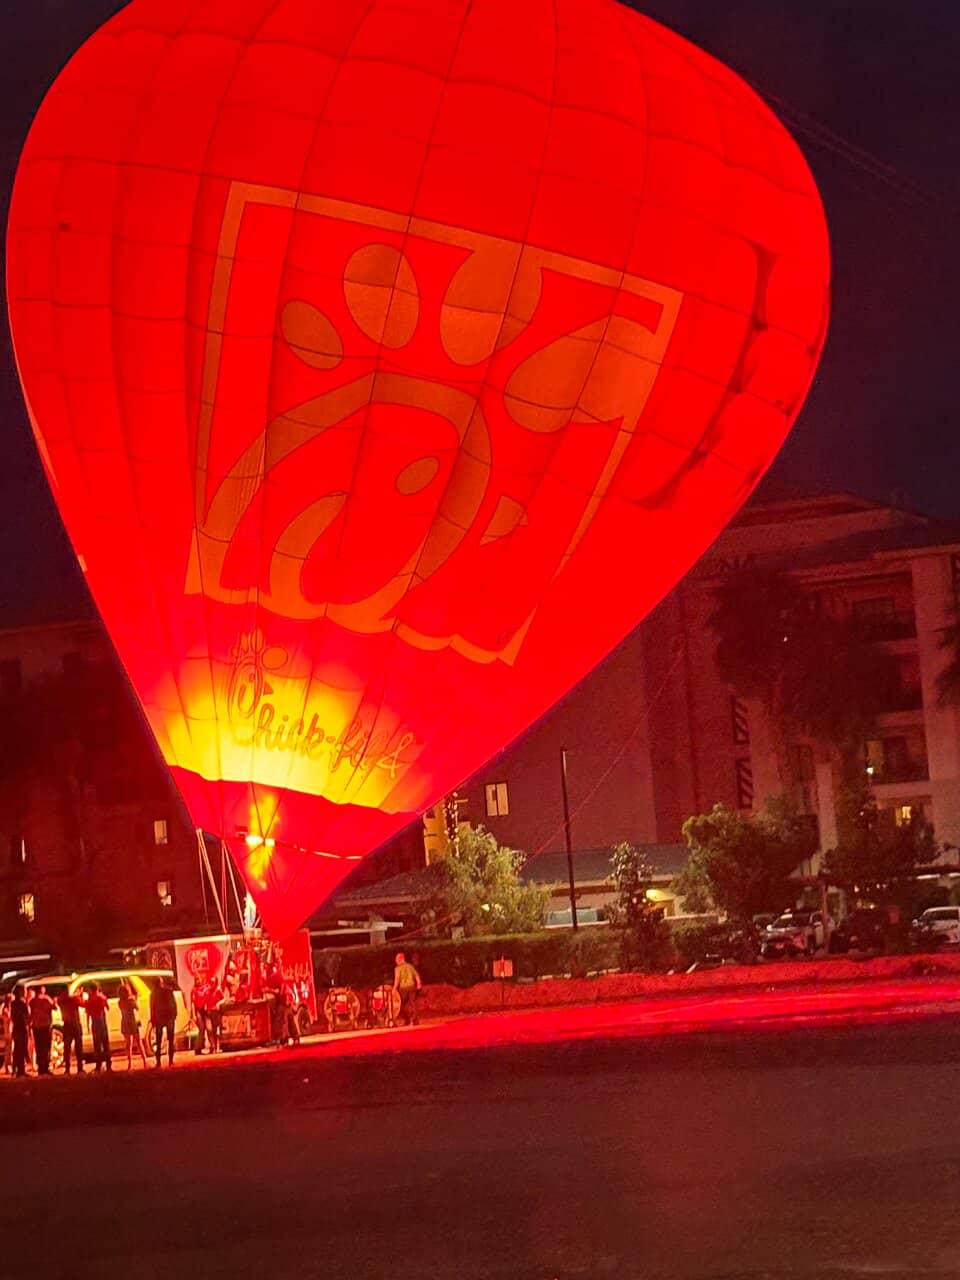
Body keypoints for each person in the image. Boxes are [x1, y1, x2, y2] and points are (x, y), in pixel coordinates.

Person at [118, 980, 148, 1070]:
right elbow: (137, 1008)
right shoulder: (131, 1000)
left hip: (125, 1022)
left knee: (128, 1044)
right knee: (139, 1043)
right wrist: (136, 999)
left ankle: (130, 1063)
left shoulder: (120, 1002)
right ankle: (145, 1061)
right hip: (133, 1022)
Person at [150, 977, 177, 1067]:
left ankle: (158, 1061)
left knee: (158, 1040)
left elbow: (152, 1007)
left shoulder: (154, 993)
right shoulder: (168, 991)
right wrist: (174, 1015)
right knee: (170, 1039)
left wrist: (153, 1019)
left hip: (160, 1018)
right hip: (168, 1017)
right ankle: (170, 1060)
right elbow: (173, 1004)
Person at [57, 987, 85, 1074]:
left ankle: (67, 1068)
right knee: (78, 1046)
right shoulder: (73, 999)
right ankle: (80, 1068)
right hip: (75, 1023)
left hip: (66, 1024)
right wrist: (79, 994)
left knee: (67, 1047)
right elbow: (82, 1004)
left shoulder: (60, 1000)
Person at [85, 983, 112, 1072]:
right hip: (102, 1022)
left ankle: (98, 1065)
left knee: (97, 1045)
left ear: (91, 990)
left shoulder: (90, 999)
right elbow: (108, 1008)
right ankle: (108, 1065)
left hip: (95, 1022)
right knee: (105, 1044)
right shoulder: (102, 997)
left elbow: (88, 1013)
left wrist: (88, 1025)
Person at [29, 984, 54, 1076]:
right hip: (45, 1026)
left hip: (36, 1027)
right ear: (41, 990)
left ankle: (40, 1068)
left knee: (39, 1048)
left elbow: (30, 1013)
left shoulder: (32, 1001)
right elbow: (54, 1007)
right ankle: (45, 1067)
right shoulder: (46, 999)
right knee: (46, 1048)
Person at [392, 952, 422, 1026]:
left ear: (401, 959)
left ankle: (407, 1019)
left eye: (397, 959)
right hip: (412, 987)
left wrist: (394, 989)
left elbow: (397, 980)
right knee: (413, 1004)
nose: (396, 961)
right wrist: (419, 984)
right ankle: (414, 1020)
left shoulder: (398, 968)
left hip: (403, 989)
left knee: (401, 1005)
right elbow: (417, 976)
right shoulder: (410, 966)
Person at [10, 989, 29, 1078]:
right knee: (22, 1049)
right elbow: (26, 1016)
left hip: (16, 1028)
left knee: (17, 1050)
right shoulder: (22, 1003)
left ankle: (15, 1069)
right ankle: (21, 1070)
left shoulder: (13, 1004)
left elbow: (13, 1016)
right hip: (21, 1028)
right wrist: (28, 1024)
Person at [1, 993, 13, 1075]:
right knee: (9, 1050)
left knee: (10, 1050)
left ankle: (8, 1066)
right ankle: (7, 1066)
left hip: (10, 1032)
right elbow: (8, 1018)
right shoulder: (6, 1009)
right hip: (8, 1032)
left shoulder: (7, 1009)